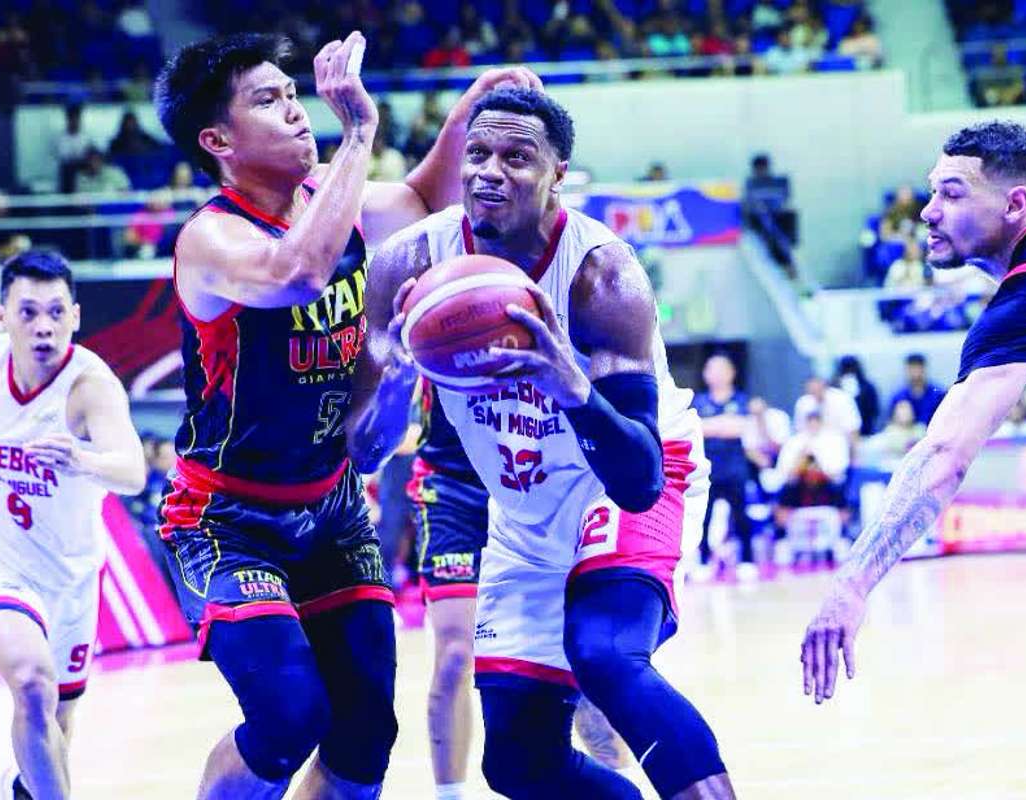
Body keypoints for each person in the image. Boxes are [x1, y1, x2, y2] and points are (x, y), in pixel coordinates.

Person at [152, 31, 541, 799]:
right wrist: (359, 130)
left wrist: (482, 100)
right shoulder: (212, 237)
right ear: (217, 141)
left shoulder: (342, 203)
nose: (296, 112)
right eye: (269, 101)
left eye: (294, 94)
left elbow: (428, 200)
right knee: (290, 715)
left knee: (365, 734)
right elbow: (297, 271)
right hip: (225, 517)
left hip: (330, 508)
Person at [349, 87, 734, 800]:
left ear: (558, 174)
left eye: (517, 157)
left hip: (622, 475)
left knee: (605, 656)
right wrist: (400, 374)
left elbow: (639, 478)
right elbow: (366, 453)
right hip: (523, 504)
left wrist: (572, 386)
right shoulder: (405, 267)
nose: (490, 171)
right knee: (520, 765)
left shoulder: (602, 278)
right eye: (479, 153)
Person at [799, 121, 1026, 798]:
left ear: (1015, 205)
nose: (927, 211)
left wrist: (852, 585)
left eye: (952, 194)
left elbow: (946, 453)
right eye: (931, 192)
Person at [0, 249, 145, 800]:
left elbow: (132, 471)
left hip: (72, 575)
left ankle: (25, 789)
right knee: (31, 684)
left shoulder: (90, 385)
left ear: (75, 316)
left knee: (57, 722)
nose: (43, 326)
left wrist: (83, 460)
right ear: (2, 316)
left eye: (56, 312)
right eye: (28, 312)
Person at [407, 381, 632, 799]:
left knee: (583, 657)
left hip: (540, 479)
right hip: (454, 487)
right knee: (456, 654)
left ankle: (613, 779)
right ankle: (449, 795)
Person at [690, 353, 755, 580]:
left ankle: (747, 560)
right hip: (707, 469)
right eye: (711, 369)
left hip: (735, 468)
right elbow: (696, 428)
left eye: (721, 369)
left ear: (731, 373)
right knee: (704, 517)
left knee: (741, 515)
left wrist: (713, 426)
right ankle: (704, 560)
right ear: (705, 374)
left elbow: (740, 427)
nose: (716, 374)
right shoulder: (699, 401)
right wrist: (722, 425)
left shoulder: (741, 399)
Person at [887, 353, 945, 425]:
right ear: (907, 370)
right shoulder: (898, 397)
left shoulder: (938, 394)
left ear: (924, 369)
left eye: (918, 368)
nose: (916, 373)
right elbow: (890, 422)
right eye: (912, 369)